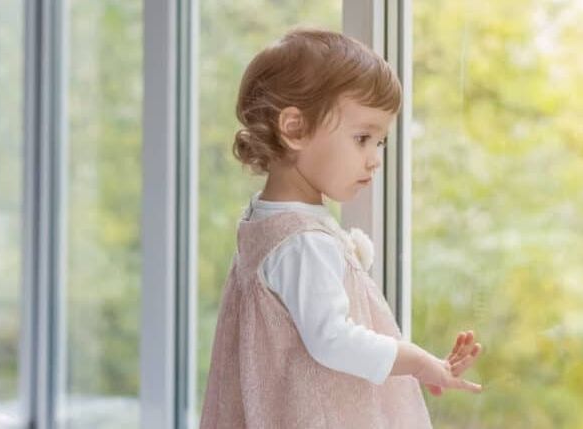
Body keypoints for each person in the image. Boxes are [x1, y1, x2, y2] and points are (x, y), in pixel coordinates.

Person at [200, 28, 483, 429]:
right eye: (363, 138)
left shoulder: (265, 222)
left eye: (380, 143)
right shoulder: (302, 242)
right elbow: (332, 339)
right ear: (295, 128)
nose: (374, 160)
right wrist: (418, 362)